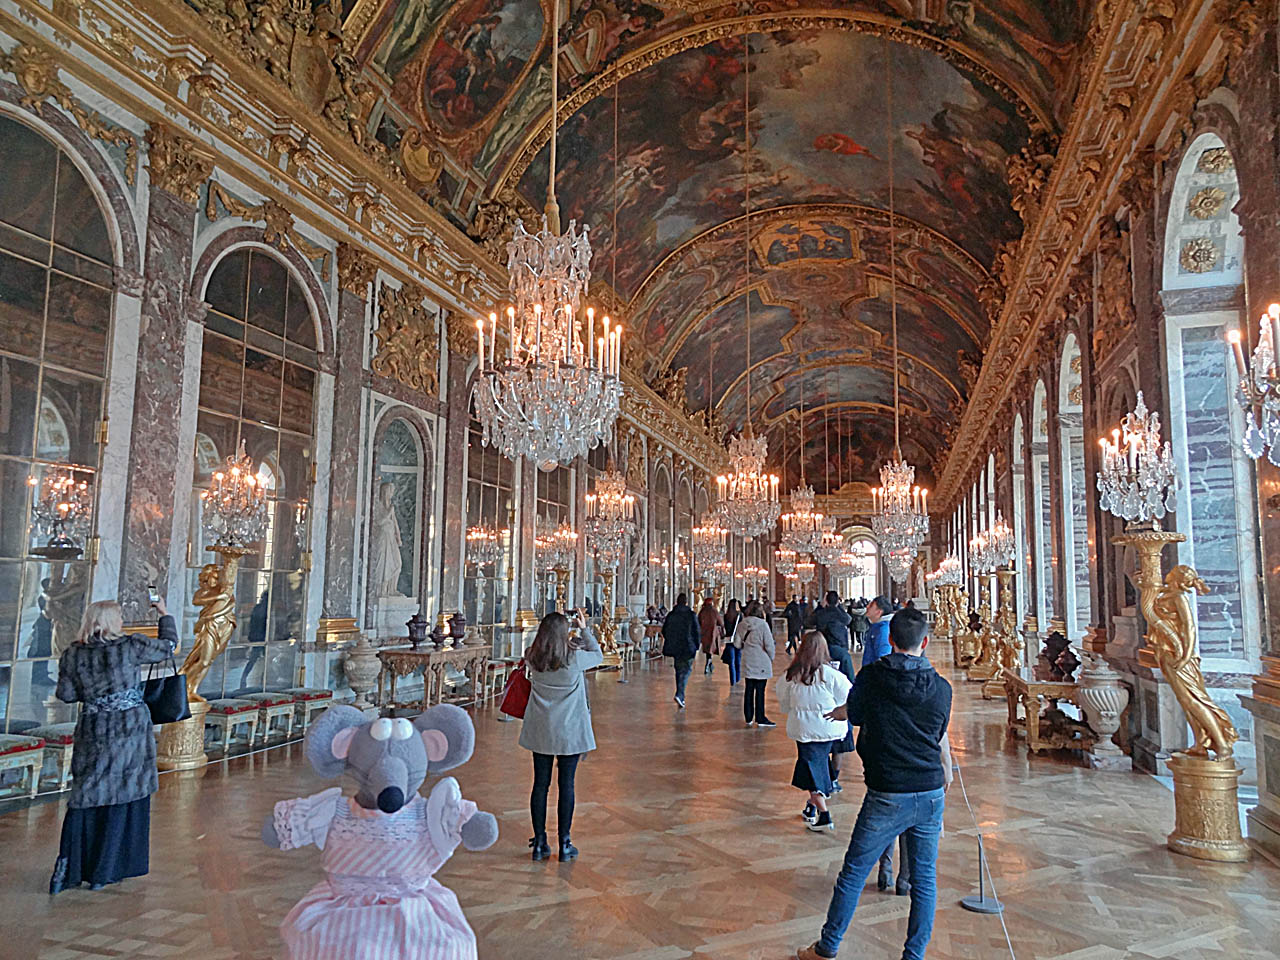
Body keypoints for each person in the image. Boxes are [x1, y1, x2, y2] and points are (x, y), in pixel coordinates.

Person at [796, 606, 953, 960]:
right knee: (924, 881)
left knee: (853, 872)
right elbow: (938, 733)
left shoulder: (871, 678)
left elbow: (857, 716)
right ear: (925, 642)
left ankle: (827, 948)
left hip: (887, 792)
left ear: (890, 640)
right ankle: (914, 956)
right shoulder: (942, 689)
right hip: (929, 792)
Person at [49, 597, 178, 894]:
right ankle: (104, 871)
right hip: (127, 730)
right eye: (119, 616)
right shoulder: (129, 646)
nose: (122, 621)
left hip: (93, 729)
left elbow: (66, 695)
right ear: (110, 622)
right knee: (122, 794)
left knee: (85, 796)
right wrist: (165, 615)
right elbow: (169, 646)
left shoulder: (73, 653)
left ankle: (67, 869)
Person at [519, 610, 603, 862]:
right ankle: (565, 843)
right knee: (567, 785)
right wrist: (584, 628)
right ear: (564, 634)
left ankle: (540, 842)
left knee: (540, 785)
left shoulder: (532, 657)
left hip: (542, 729)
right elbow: (598, 655)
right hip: (569, 731)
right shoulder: (575, 659)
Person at [776, 631, 852, 832]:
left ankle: (824, 815)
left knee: (811, 772)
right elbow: (849, 696)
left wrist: (793, 710)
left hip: (804, 730)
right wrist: (838, 712)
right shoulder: (832, 675)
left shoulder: (791, 676)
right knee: (818, 766)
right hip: (828, 728)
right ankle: (811, 808)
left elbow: (783, 700)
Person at [810, 591, 855, 793]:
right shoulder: (843, 654)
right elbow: (851, 682)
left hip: (818, 705)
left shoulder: (817, 655)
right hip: (840, 705)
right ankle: (834, 780)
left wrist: (821, 607)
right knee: (839, 745)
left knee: (821, 746)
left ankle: (823, 781)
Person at [733, 599, 776, 727]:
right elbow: (769, 645)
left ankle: (748, 717)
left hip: (748, 659)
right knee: (760, 691)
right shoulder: (763, 625)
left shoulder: (742, 624)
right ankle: (760, 717)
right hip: (761, 660)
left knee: (749, 689)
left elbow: (736, 643)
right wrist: (771, 658)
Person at [661, 593, 700, 708]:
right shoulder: (691, 615)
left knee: (678, 669)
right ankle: (680, 694)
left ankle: (680, 694)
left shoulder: (672, 614)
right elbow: (696, 631)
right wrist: (696, 645)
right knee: (686, 670)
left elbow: (665, 630)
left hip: (675, 647)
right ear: (686, 602)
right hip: (688, 646)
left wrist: (671, 639)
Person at [861, 595, 893, 668]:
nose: (867, 606)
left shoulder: (883, 630)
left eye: (871, 605)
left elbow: (883, 658)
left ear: (878, 612)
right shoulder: (876, 627)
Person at [698, 595, 723, 675]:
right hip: (713, 633)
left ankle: (709, 663)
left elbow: (698, 621)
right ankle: (708, 664)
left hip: (704, 633)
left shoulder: (702, 611)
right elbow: (720, 622)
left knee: (708, 650)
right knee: (710, 650)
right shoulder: (714, 611)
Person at [720, 598, 743, 687]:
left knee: (732, 662)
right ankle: (737, 679)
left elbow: (726, 628)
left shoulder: (726, 616)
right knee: (738, 661)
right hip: (738, 640)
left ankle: (732, 681)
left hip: (729, 640)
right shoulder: (739, 616)